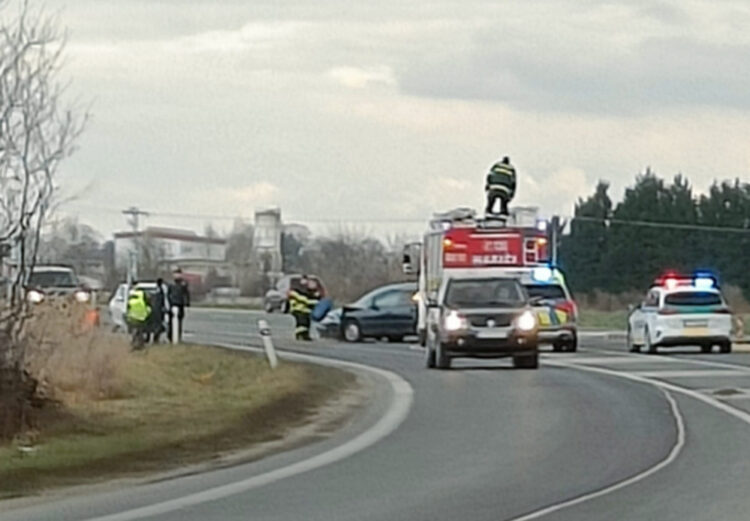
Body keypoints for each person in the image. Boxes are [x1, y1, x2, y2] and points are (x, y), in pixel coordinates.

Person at [289, 275, 319, 341]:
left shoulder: (307, 291)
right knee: (301, 323)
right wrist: (315, 301)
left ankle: (305, 335)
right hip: (298, 309)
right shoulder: (295, 290)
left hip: (305, 310)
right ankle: (299, 335)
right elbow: (304, 300)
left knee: (306, 323)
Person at [168, 269, 191, 342]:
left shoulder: (183, 284)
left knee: (179, 321)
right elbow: (168, 294)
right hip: (172, 304)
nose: (177, 276)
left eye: (178, 274)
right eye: (175, 274)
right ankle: (171, 336)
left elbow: (186, 294)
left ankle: (178, 336)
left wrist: (187, 302)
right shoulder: (170, 284)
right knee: (171, 322)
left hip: (180, 304)